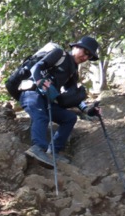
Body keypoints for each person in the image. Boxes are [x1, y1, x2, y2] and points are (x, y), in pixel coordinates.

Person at [19, 36, 102, 166]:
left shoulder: (73, 72)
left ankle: (53, 152)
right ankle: (38, 148)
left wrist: (88, 110)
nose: (85, 57)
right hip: (32, 94)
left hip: (47, 100)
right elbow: (37, 67)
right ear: (75, 47)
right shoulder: (60, 55)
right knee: (41, 116)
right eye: (85, 52)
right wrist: (41, 81)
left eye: (89, 56)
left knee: (69, 118)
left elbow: (73, 95)